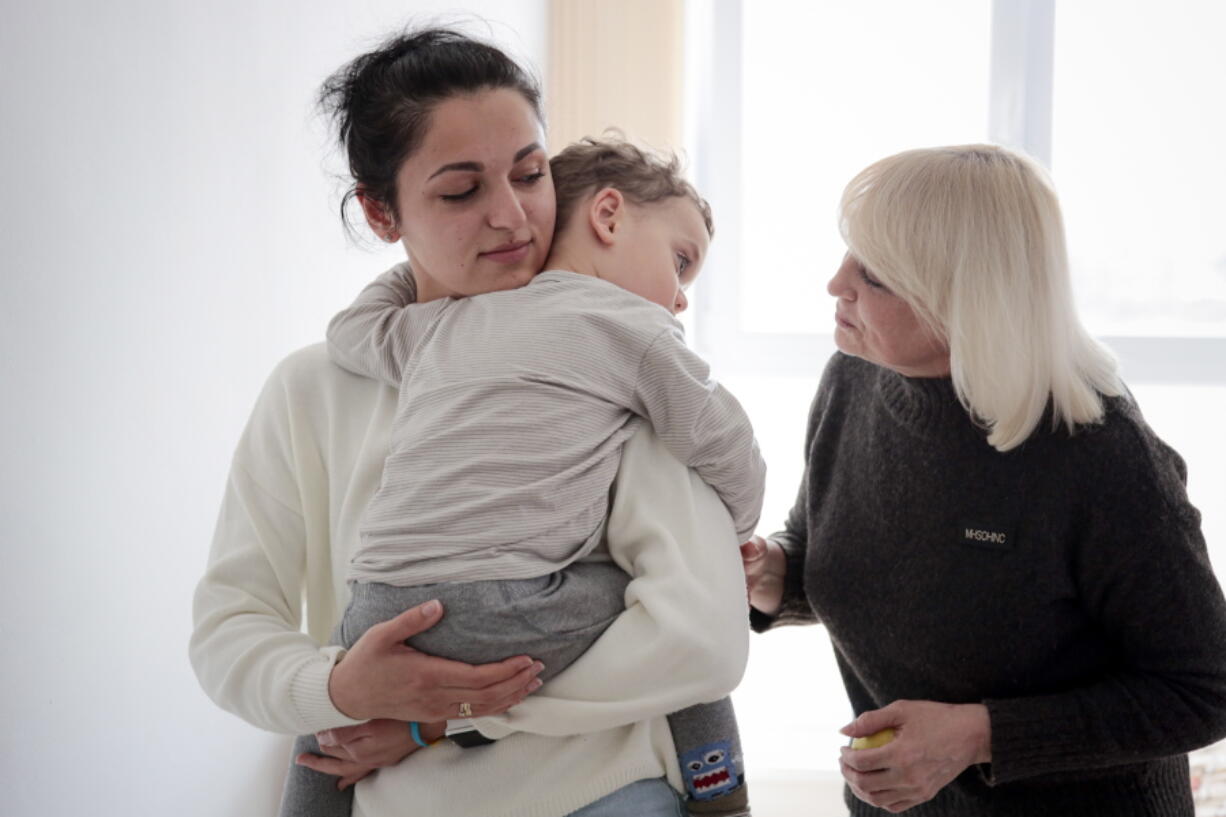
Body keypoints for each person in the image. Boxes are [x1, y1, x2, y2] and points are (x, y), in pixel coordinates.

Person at [190, 28, 749, 817]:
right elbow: (229, 629)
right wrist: (338, 686)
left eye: (530, 174)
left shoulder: (610, 362)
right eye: (462, 191)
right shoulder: (311, 389)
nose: (514, 217)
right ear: (382, 213)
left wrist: (441, 720)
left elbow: (698, 637)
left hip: (597, 789)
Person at [740, 144, 1226, 815]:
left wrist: (978, 734)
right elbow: (834, 543)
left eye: (874, 275)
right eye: (849, 253)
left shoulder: (1102, 456)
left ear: (964, 299)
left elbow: (1205, 688)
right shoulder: (854, 378)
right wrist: (774, 574)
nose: (835, 284)